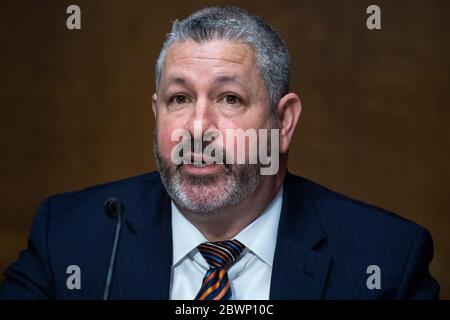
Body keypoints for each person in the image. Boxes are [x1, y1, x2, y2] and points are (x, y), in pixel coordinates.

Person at [0, 6, 439, 300]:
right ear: (157, 113)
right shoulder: (69, 240)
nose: (197, 127)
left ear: (283, 122)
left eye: (229, 99)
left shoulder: (383, 261)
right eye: (179, 99)